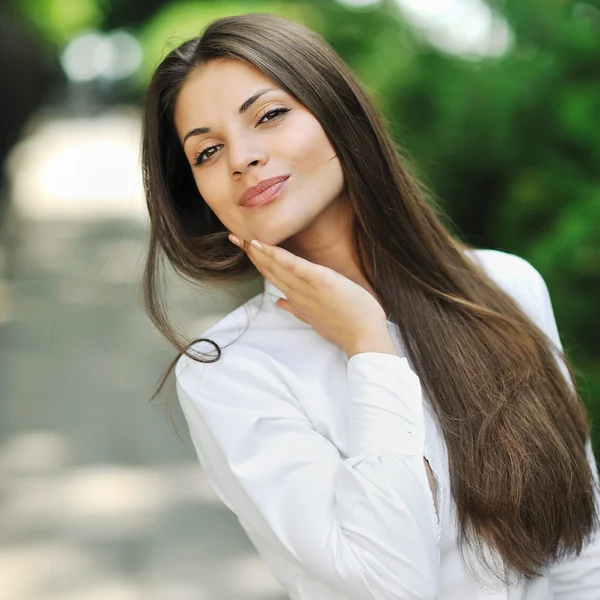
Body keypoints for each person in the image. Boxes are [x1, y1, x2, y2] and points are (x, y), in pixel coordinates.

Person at [140, 12, 600, 599]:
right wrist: (368, 346)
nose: (242, 158)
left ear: (339, 113)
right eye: (206, 152)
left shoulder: (506, 286)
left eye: (270, 115)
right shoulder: (228, 370)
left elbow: (582, 555)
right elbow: (390, 585)